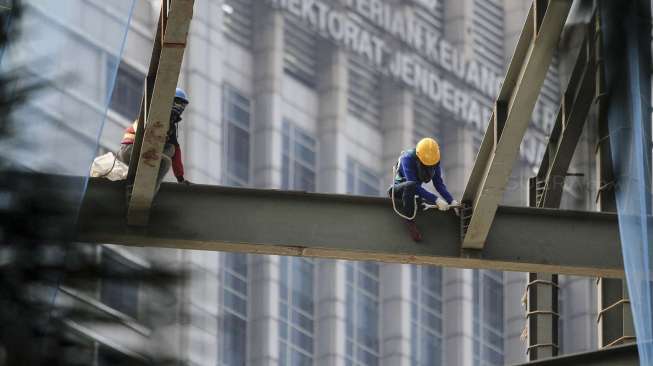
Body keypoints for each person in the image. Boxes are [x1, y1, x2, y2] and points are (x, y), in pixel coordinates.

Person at [117, 87, 190, 191]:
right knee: (165, 161)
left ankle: (141, 184)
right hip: (131, 150)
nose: (179, 108)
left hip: (137, 152)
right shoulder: (156, 115)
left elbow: (176, 153)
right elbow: (144, 134)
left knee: (171, 149)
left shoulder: (170, 125)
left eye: (182, 105)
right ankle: (147, 190)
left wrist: (180, 178)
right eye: (178, 103)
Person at [388, 137, 458, 241]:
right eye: (426, 165)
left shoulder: (435, 162)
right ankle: (409, 221)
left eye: (432, 165)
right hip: (398, 190)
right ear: (419, 157)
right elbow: (414, 185)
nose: (429, 168)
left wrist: (451, 201)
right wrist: (436, 199)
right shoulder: (407, 158)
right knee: (410, 185)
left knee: (422, 201)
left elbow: (438, 184)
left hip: (413, 194)